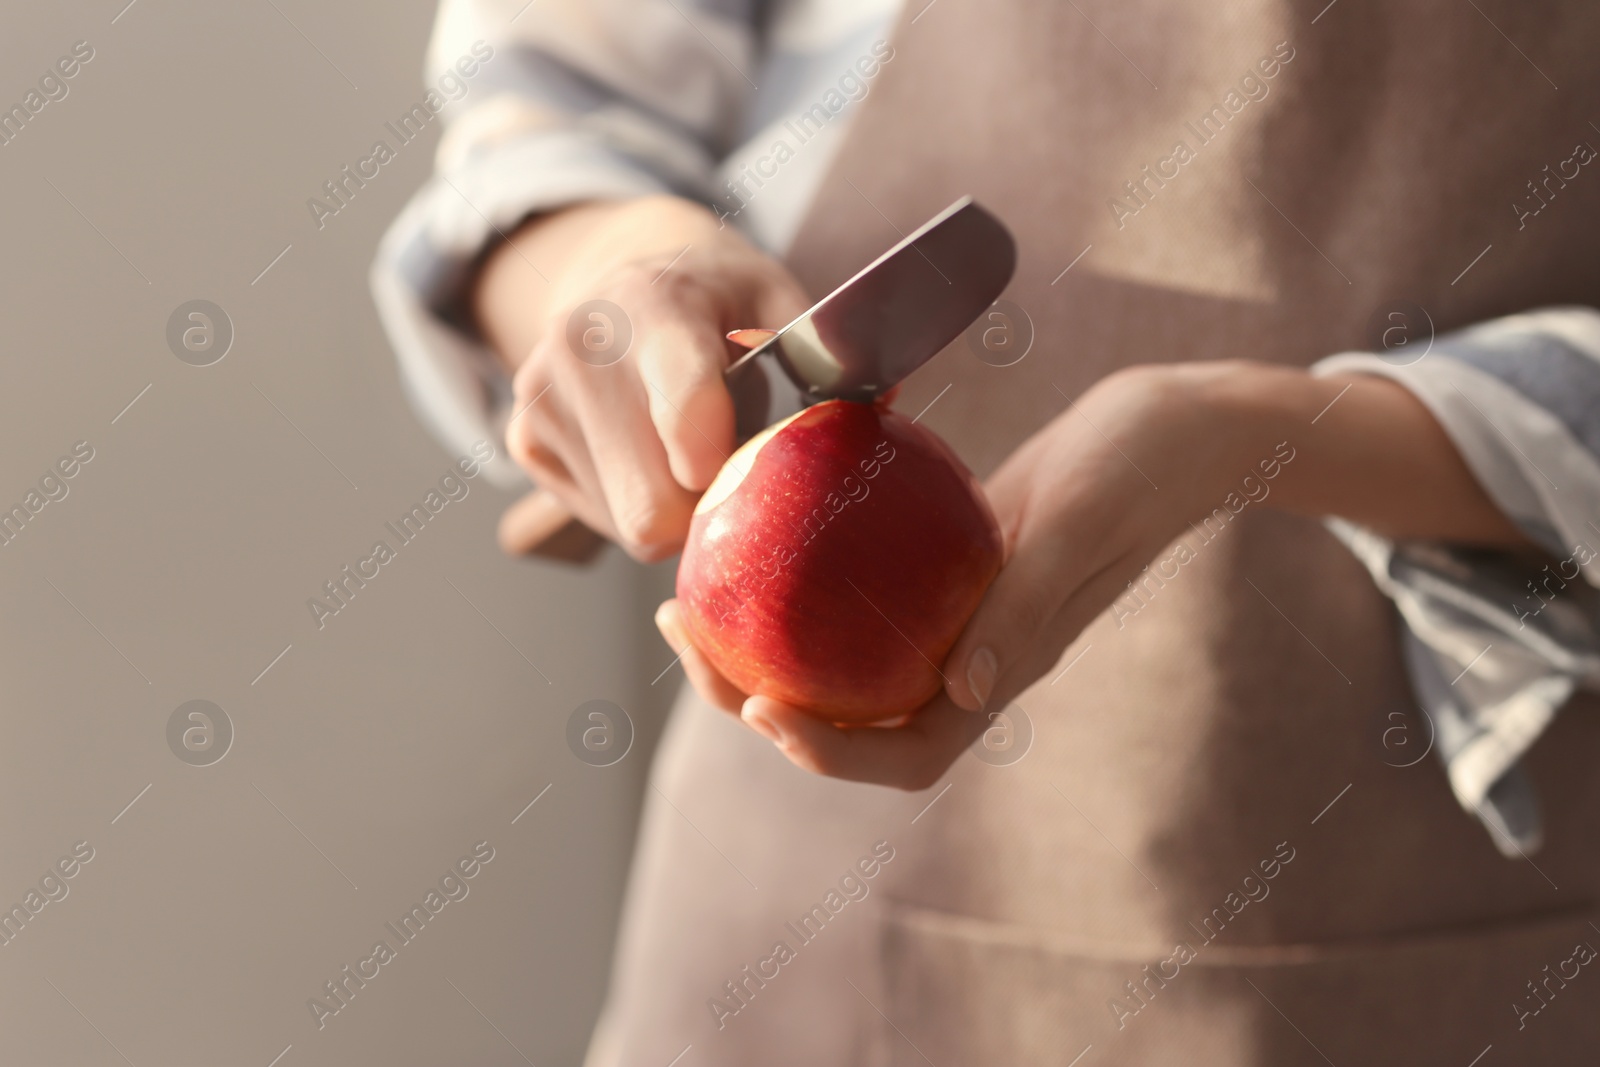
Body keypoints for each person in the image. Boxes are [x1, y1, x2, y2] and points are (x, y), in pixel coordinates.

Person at [374, 0, 1600, 1062]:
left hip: (1439, 890)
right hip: (810, 911)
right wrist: (621, 263)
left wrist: (1271, 429)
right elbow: (543, 115)